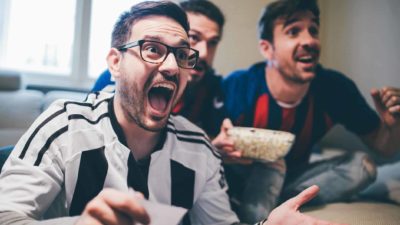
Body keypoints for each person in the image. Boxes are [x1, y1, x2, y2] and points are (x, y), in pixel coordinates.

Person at [0, 1, 344, 225]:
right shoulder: (65, 126)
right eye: (152, 49)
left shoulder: (200, 151)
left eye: (182, 54)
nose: (171, 66)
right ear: (115, 63)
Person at [212, 0, 400, 223]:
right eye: (293, 31)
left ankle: (281, 201)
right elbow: (203, 148)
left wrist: (393, 125)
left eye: (313, 30)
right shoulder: (238, 87)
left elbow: (384, 148)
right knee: (272, 164)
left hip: (294, 176)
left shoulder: (335, 88)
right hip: (243, 177)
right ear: (267, 48)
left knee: (363, 166)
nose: (309, 40)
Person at [91, 0, 225, 137]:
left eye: (212, 43)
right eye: (193, 37)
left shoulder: (214, 88)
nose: (203, 53)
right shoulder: (115, 79)